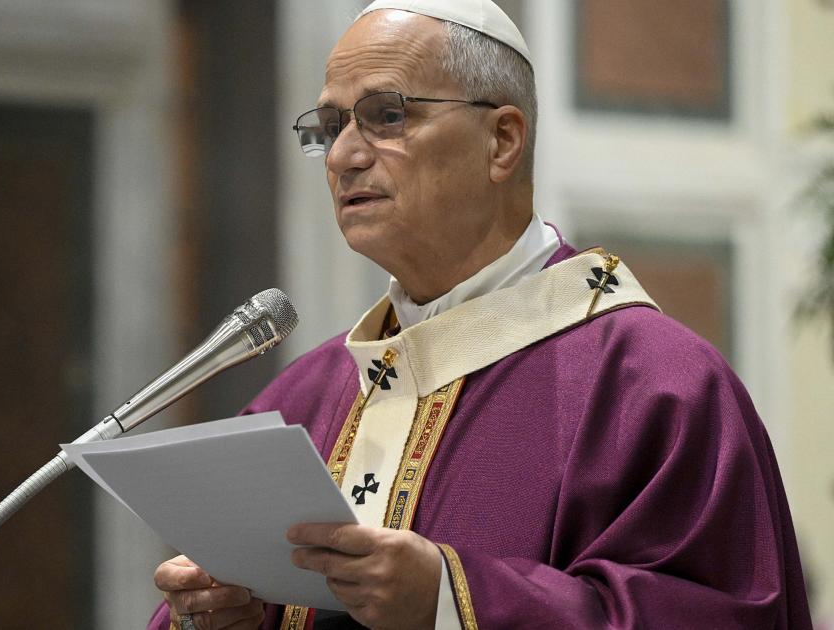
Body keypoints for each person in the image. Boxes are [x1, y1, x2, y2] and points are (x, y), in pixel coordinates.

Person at [148, 1, 812, 628]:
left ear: (501, 141)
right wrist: (212, 614)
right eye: (330, 127)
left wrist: (449, 601)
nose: (345, 156)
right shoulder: (302, 398)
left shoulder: (655, 386)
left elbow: (711, 614)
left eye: (386, 116)